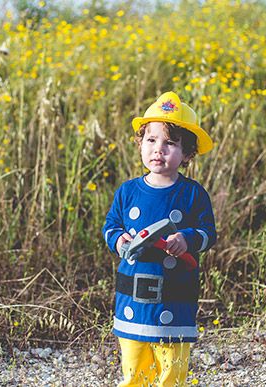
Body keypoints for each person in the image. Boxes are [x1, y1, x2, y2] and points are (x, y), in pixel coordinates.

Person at [102, 91, 217, 386]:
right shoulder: (128, 192)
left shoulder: (193, 194)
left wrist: (187, 239)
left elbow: (208, 233)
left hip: (175, 298)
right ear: (140, 144)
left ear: (187, 153)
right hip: (134, 297)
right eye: (151, 140)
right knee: (134, 368)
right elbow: (111, 226)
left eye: (170, 143)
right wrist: (120, 240)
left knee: (171, 370)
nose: (158, 149)